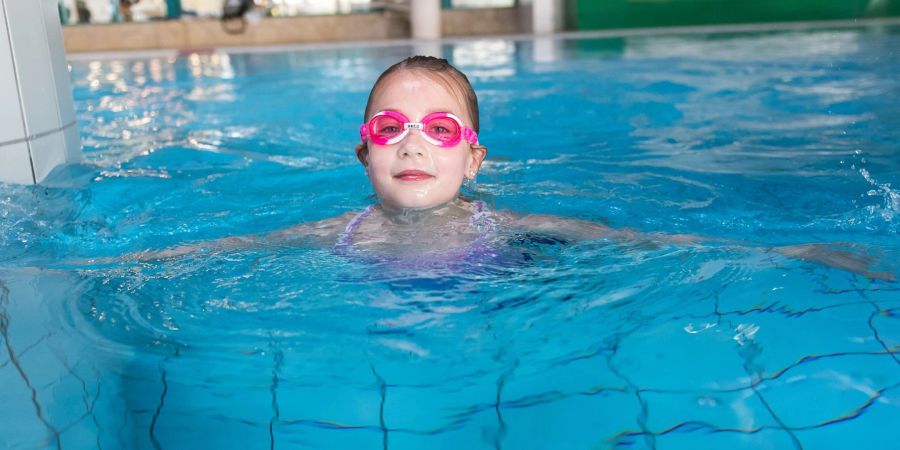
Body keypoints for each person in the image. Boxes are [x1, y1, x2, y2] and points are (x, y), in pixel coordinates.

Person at [123, 56, 893, 281]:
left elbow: (646, 245)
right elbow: (218, 255)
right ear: (363, 153)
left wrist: (789, 253)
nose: (413, 144)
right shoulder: (338, 234)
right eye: (389, 127)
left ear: (471, 156)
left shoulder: (514, 225)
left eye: (439, 128)